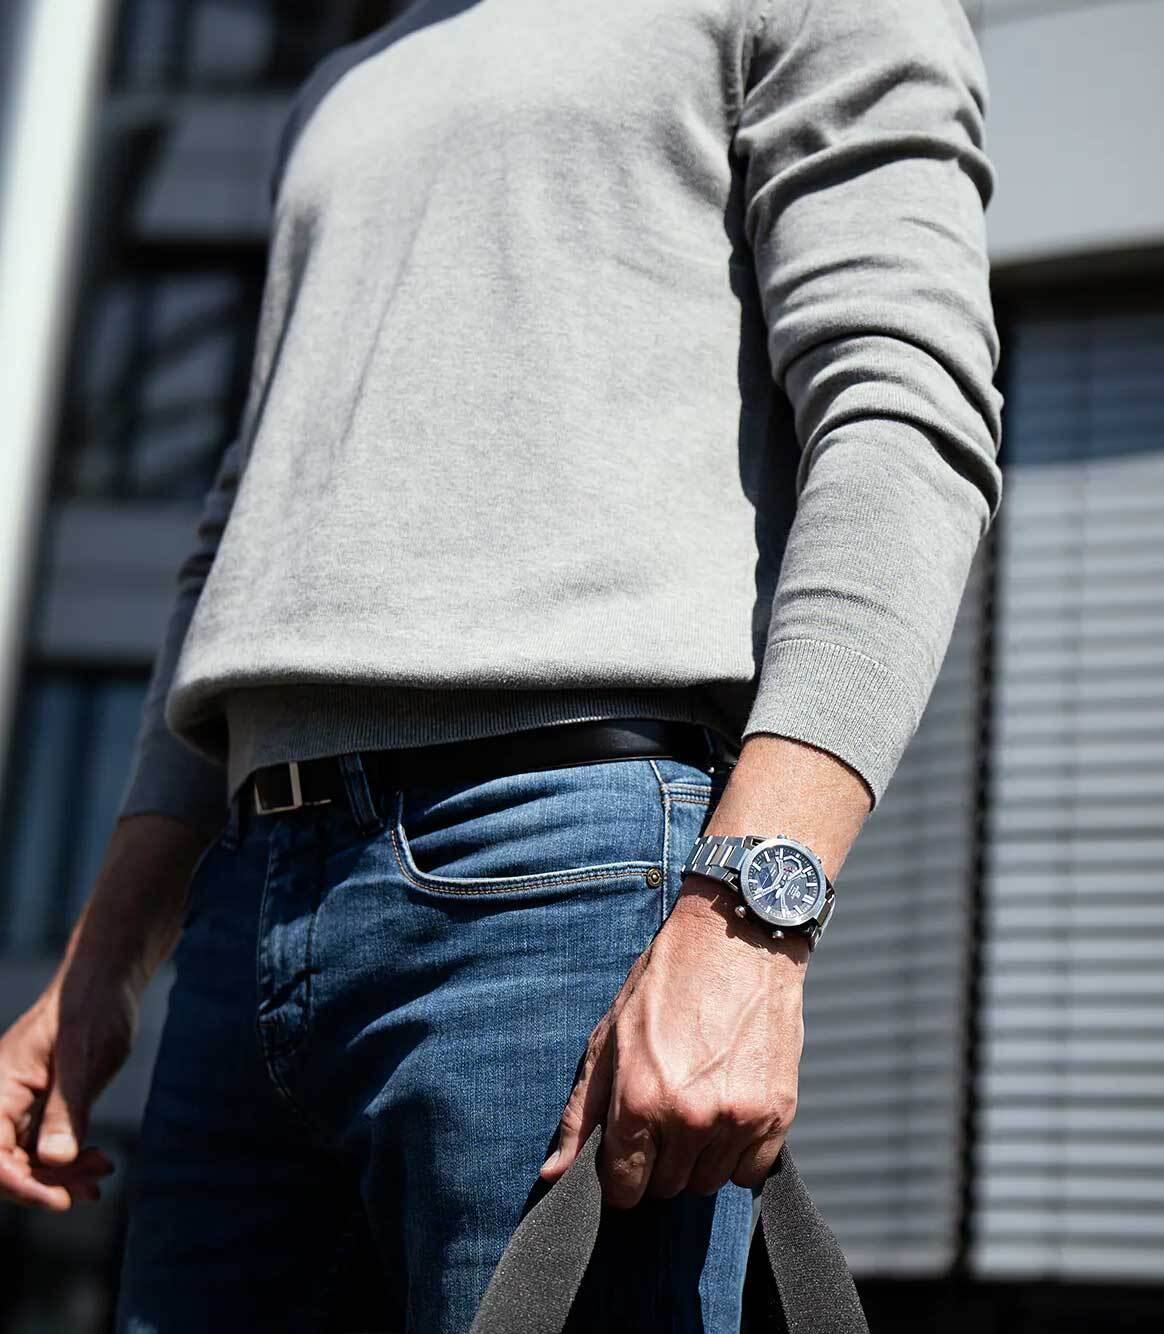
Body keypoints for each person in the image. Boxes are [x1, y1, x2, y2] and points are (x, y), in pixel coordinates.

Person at [0, 0, 1003, 1329]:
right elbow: (238, 540)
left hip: (560, 874)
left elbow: (901, 416)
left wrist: (750, 918)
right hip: (247, 909)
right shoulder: (344, 83)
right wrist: (104, 960)